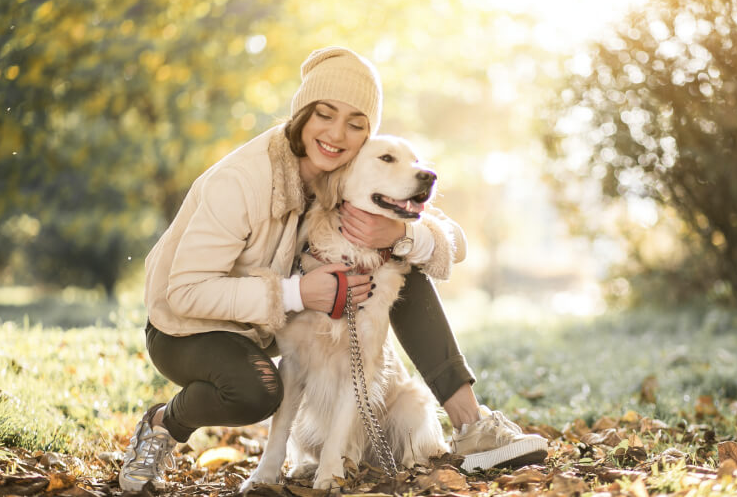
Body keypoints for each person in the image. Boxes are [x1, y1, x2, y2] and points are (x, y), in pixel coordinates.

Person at [119, 47, 548, 491]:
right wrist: (299, 294)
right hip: (188, 328)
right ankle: (164, 423)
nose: (338, 133)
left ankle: (471, 425)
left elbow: (451, 242)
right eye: (325, 114)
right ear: (302, 114)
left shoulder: (348, 172)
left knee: (402, 262)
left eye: (356, 124)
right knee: (258, 391)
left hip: (264, 327)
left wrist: (397, 237)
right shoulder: (242, 181)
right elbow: (184, 293)